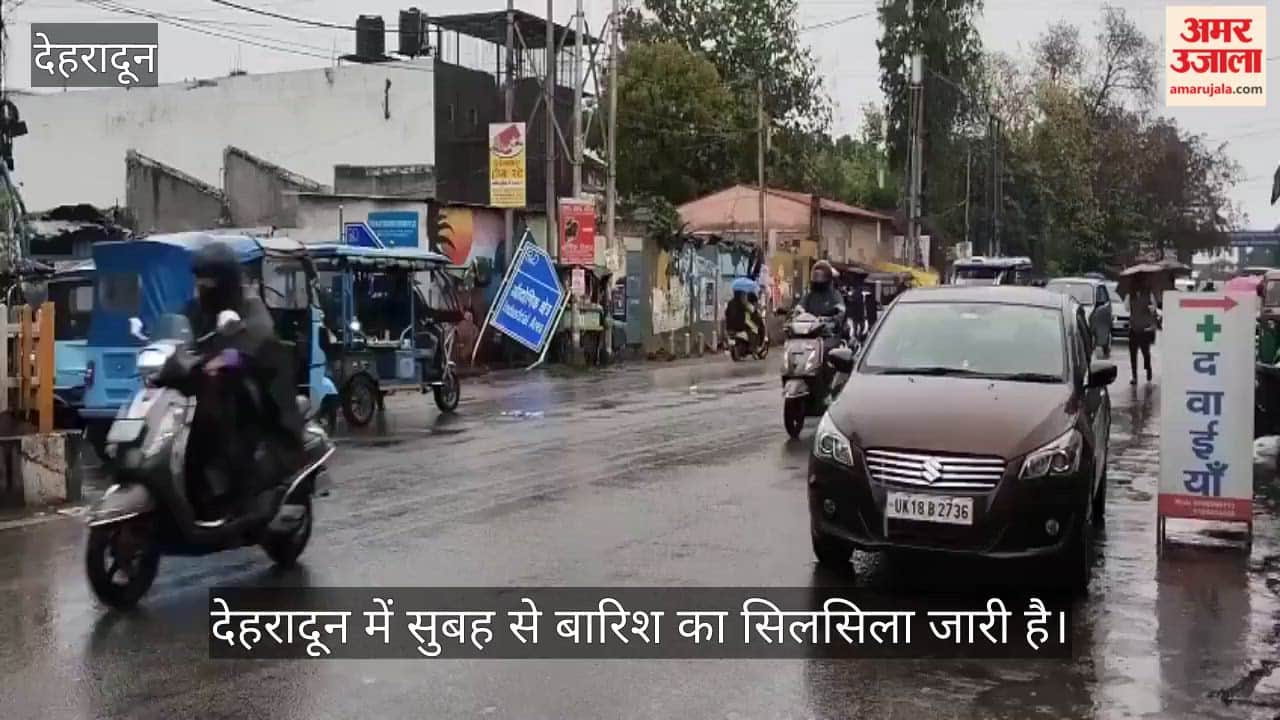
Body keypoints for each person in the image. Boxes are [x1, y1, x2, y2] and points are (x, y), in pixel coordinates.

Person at [183, 242, 305, 522]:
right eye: (200, 281)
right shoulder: (195, 308)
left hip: (246, 382)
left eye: (209, 281)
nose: (203, 288)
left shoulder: (248, 305)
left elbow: (259, 333)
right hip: (201, 383)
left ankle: (243, 489)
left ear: (225, 282)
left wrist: (233, 355)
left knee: (231, 414)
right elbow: (178, 326)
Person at [801, 261, 847, 335]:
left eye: (821, 277)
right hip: (809, 329)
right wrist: (797, 312)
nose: (819, 280)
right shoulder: (810, 294)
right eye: (816, 276)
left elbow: (841, 310)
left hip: (828, 332)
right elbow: (801, 306)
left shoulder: (834, 294)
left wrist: (832, 318)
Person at [1127, 279, 1158, 385]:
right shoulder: (1130, 296)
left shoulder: (1149, 294)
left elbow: (1154, 308)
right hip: (1133, 328)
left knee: (1146, 353)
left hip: (1144, 330)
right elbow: (1127, 308)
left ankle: (1148, 369)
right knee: (1133, 354)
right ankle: (1134, 376)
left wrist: (1151, 309)